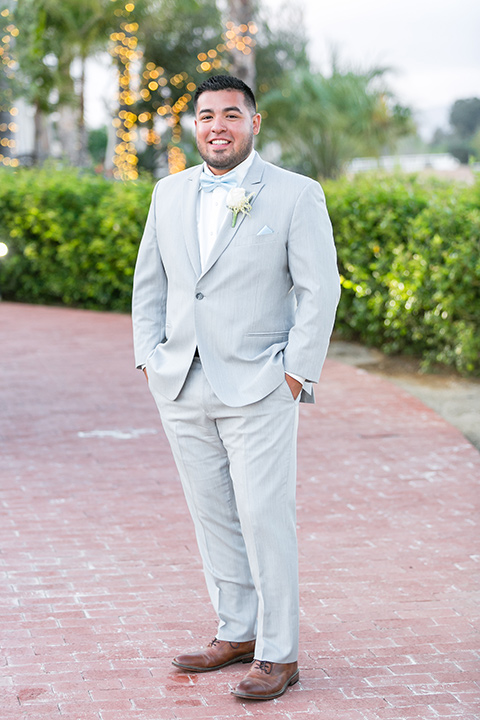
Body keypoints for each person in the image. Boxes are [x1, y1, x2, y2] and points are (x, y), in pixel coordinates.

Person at [132, 74, 340, 700]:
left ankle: (280, 652)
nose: (216, 125)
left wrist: (296, 373)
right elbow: (153, 281)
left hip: (260, 384)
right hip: (181, 380)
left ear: (255, 122)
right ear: (194, 126)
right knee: (213, 516)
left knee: (264, 516)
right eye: (205, 116)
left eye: (230, 114)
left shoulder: (296, 195)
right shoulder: (168, 193)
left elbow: (319, 288)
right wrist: (148, 355)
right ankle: (238, 631)